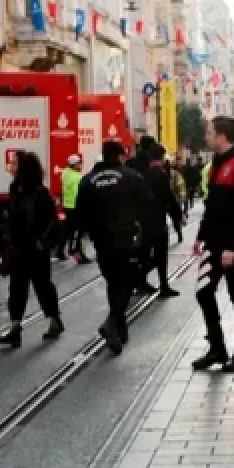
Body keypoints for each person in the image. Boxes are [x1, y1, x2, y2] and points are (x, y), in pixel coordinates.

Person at [77, 140, 154, 354]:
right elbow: (147, 205)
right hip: (126, 240)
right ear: (120, 155)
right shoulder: (131, 177)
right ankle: (112, 323)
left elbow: (80, 213)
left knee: (113, 282)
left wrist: (79, 240)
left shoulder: (88, 180)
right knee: (127, 282)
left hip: (101, 241)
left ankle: (119, 328)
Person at [191, 115, 234, 372]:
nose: (206, 137)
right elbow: (212, 207)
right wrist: (200, 236)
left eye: (209, 132)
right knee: (204, 292)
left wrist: (231, 247)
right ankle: (217, 348)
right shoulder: (215, 165)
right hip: (213, 243)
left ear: (221, 136)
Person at [0, 151, 64, 348]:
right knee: (17, 288)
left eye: (15, 163)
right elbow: (12, 219)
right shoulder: (14, 189)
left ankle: (54, 320)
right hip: (18, 248)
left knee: (43, 286)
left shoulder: (40, 192)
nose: (11, 166)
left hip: (36, 249)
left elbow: (52, 221)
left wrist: (42, 242)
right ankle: (15, 327)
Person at [140, 144, 183, 297]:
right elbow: (169, 198)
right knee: (160, 254)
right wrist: (178, 215)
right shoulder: (162, 174)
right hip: (158, 221)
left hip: (144, 221)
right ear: (161, 157)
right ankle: (163, 285)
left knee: (144, 253)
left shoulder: (143, 174)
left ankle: (141, 282)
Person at [57, 154, 92, 263]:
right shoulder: (77, 177)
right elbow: (81, 193)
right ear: (74, 164)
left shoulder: (65, 173)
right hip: (76, 207)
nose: (81, 165)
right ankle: (77, 253)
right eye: (79, 163)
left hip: (68, 206)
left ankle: (60, 250)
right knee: (78, 232)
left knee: (68, 230)